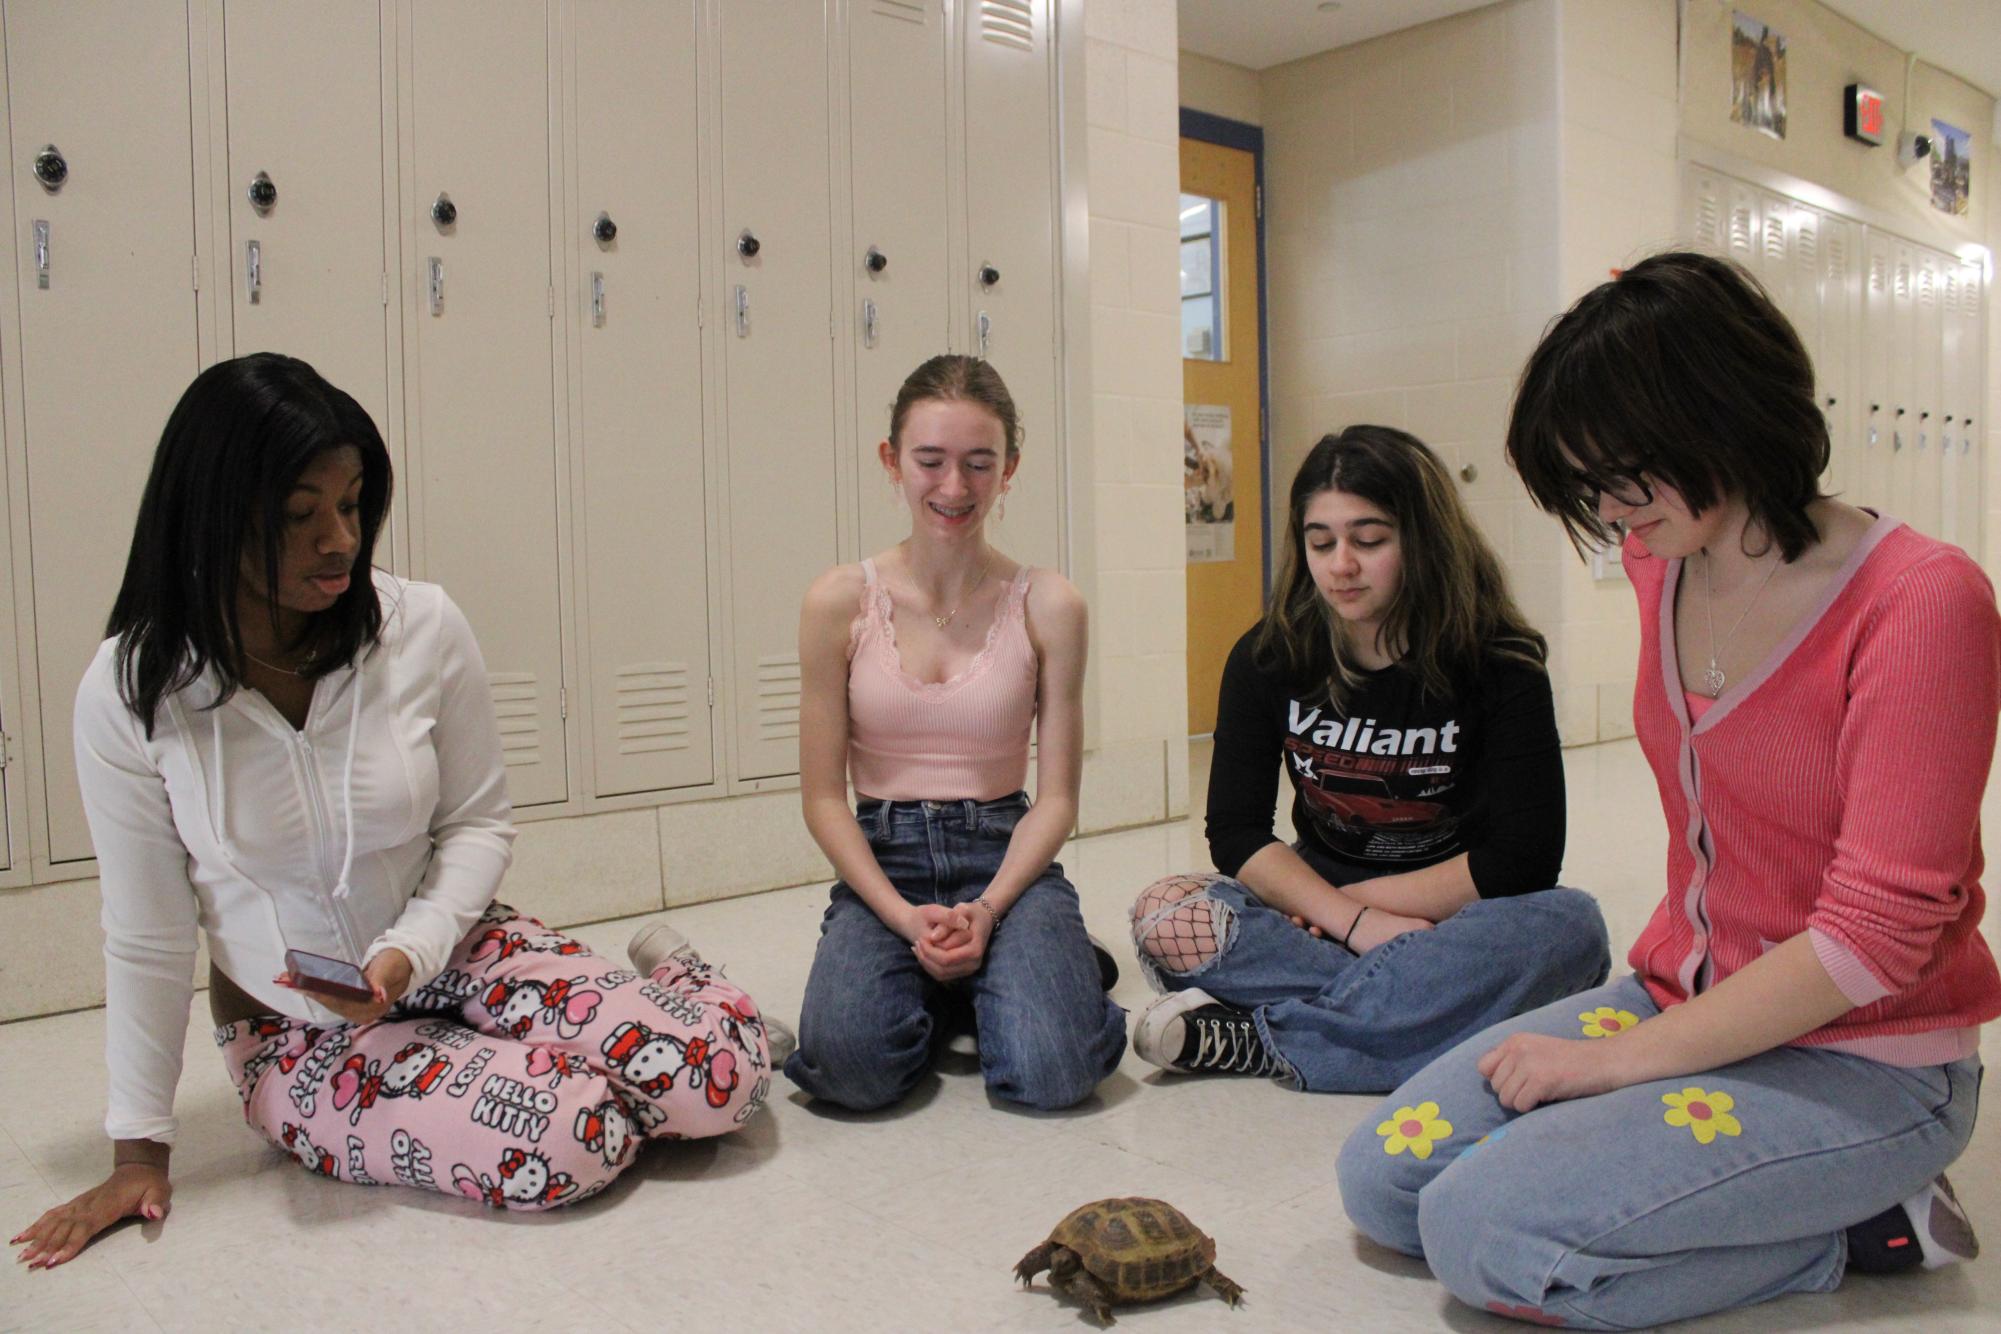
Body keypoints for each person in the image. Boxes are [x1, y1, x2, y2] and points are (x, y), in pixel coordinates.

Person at [1338, 251, 1998, 1328]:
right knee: (1384, 1180)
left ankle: (1868, 1221)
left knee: (1483, 1234)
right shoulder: (1665, 563)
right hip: (1689, 993)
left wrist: (1614, 1068)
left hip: (1868, 1058)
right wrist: (1626, 1052)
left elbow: (1877, 938)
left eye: (1621, 477)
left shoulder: (1923, 603)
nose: (1605, 513)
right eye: (1581, 485)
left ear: (1723, 417)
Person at [12, 354, 772, 1267]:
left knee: (714, 1079)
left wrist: (410, 952)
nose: (340, 537)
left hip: (455, 948)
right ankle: (563, 1045)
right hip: (293, 1034)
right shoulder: (132, 690)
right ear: (210, 517)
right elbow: (146, 933)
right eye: (299, 513)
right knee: (572, 1138)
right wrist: (139, 1150)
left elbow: (479, 823)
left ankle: (681, 989)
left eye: (353, 501)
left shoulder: (421, 627)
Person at [1128, 426, 1609, 1089]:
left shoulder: (1500, 662)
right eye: (1320, 542)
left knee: (1571, 928)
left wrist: (1361, 912)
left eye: (1369, 540)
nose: (1340, 565)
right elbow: (1235, 832)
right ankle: (1434, 1011)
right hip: (1317, 908)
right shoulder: (1267, 656)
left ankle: (1267, 1039)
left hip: (1451, 914)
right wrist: (1348, 921)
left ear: (1421, 539)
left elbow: (1522, 856)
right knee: (1164, 913)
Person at [783, 354, 1125, 1112]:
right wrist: (903, 917)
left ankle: (1032, 962)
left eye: (979, 463)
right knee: (848, 1071)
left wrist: (991, 907)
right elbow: (822, 799)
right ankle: (966, 984)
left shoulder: (1049, 603)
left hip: (1006, 853)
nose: (954, 487)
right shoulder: (838, 600)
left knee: (1053, 1074)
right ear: (891, 461)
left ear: (1009, 469)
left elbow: (1058, 799)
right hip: (885, 857)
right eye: (930, 461)